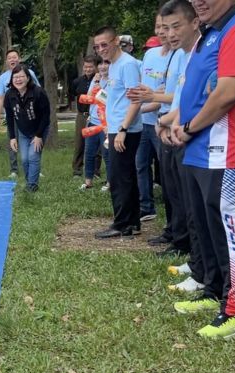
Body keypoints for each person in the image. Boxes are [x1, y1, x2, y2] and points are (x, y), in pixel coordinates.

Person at [169, 0, 235, 339]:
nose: (198, 0)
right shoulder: (214, 32)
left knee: (233, 232)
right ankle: (217, 291)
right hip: (205, 151)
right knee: (213, 229)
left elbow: (227, 92)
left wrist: (188, 127)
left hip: (229, 150)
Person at [155, 0, 204, 292]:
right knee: (187, 203)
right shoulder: (185, 57)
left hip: (195, 139)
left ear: (194, 22)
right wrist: (165, 121)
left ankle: (204, 271)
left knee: (199, 208)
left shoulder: (203, 53)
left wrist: (176, 124)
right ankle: (198, 262)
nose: (170, 34)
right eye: (165, 28)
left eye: (176, 27)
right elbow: (181, 104)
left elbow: (202, 103)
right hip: (179, 134)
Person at [93, 26, 143, 239]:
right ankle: (132, 221)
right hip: (115, 128)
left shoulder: (128, 64)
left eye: (104, 44)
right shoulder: (113, 65)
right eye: (97, 47)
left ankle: (121, 224)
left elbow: (135, 100)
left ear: (116, 41)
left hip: (126, 129)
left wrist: (123, 129)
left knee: (118, 177)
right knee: (125, 175)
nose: (101, 49)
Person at [131, 14, 174, 223]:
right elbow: (143, 86)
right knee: (140, 165)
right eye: (158, 26)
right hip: (144, 124)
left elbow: (165, 95)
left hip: (163, 123)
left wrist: (141, 108)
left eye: (166, 27)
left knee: (167, 173)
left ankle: (172, 216)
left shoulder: (177, 57)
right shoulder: (151, 55)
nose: (161, 31)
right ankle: (146, 206)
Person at [4, 64, 50, 192]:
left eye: (21, 76)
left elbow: (46, 116)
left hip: (39, 129)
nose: (18, 79)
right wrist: (12, 137)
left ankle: (32, 187)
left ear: (28, 78)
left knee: (33, 157)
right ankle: (30, 182)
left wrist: (39, 135)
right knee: (24, 159)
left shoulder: (38, 92)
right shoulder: (9, 95)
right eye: (15, 77)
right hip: (23, 131)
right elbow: (9, 117)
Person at [0, 49, 41, 178]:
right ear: (6, 61)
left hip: (30, 115)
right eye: (9, 58)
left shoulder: (29, 73)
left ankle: (35, 167)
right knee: (12, 140)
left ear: (19, 59)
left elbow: (38, 91)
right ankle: (14, 170)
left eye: (14, 57)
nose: (12, 60)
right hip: (13, 115)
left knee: (34, 141)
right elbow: (0, 98)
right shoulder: (3, 78)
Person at [81, 58, 110, 190]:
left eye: (106, 63)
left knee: (107, 154)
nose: (103, 67)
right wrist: (97, 83)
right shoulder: (95, 79)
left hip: (107, 124)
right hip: (92, 121)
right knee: (89, 152)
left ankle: (110, 182)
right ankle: (88, 181)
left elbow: (108, 100)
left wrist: (97, 96)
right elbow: (88, 97)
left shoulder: (114, 80)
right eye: (100, 64)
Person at [70, 55, 100, 177]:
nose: (88, 69)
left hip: (96, 115)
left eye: (91, 67)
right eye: (86, 67)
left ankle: (95, 171)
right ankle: (77, 170)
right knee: (79, 143)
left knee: (96, 145)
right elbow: (72, 93)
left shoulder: (99, 80)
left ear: (95, 67)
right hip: (82, 115)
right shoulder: (77, 81)